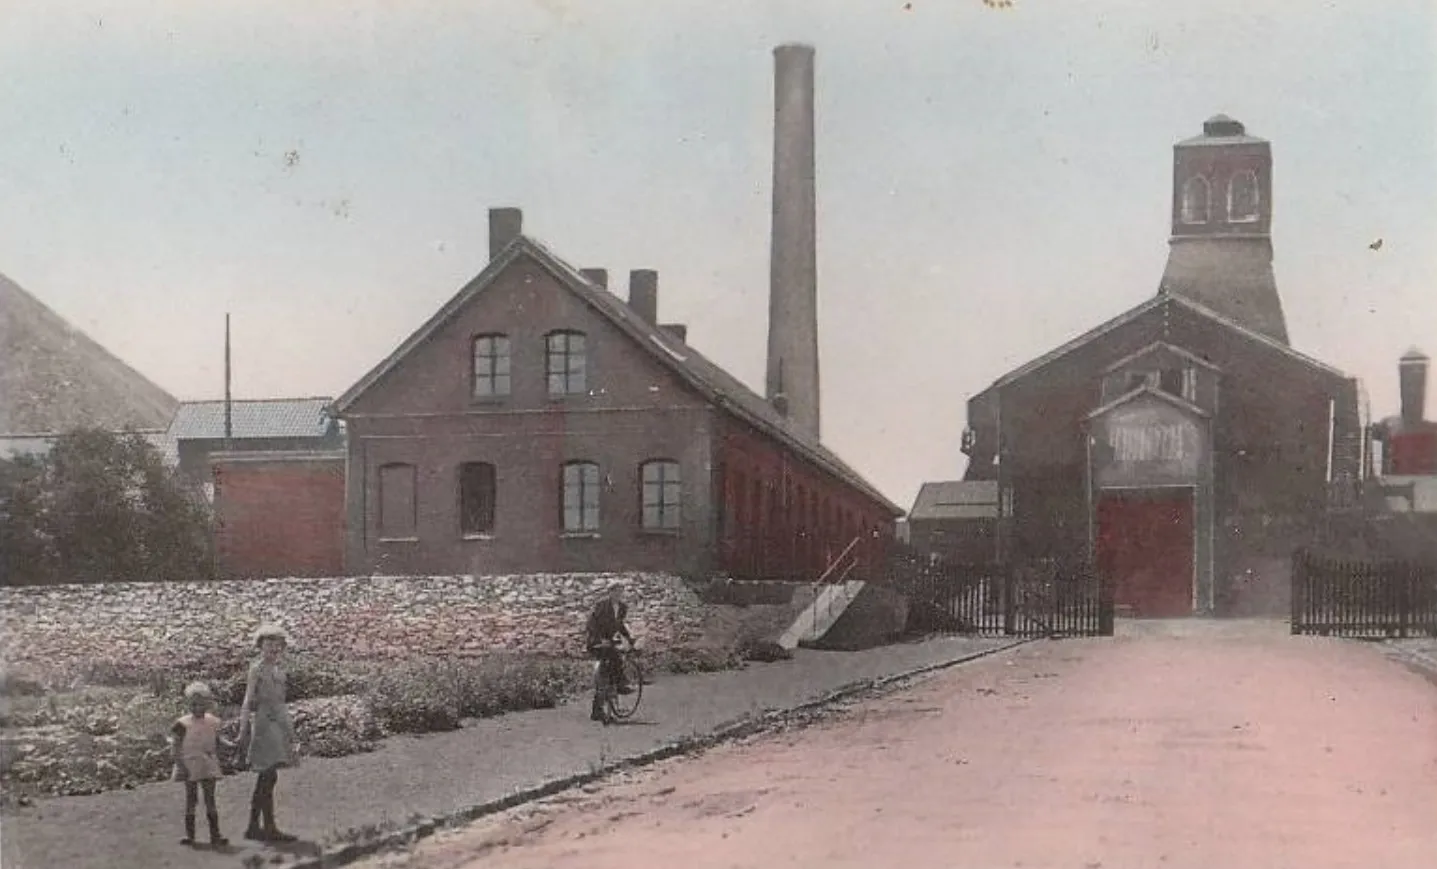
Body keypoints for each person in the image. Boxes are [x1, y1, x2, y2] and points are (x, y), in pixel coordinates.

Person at [237, 622, 300, 843]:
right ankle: (265, 827)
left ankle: (256, 826)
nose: (273, 649)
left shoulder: (279, 671)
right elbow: (247, 700)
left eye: (278, 645)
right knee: (267, 775)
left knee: (270, 777)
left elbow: (281, 704)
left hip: (278, 724)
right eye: (269, 644)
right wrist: (242, 729)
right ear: (260, 646)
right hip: (264, 724)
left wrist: (291, 733)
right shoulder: (257, 669)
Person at [170, 681, 233, 848]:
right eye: (192, 703)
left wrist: (231, 744)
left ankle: (216, 835)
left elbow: (218, 739)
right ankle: (190, 835)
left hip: (207, 763)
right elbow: (175, 745)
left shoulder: (212, 721)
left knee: (210, 799)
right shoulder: (182, 724)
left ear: (206, 704)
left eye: (199, 703)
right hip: (189, 765)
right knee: (191, 799)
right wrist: (179, 764)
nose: (196, 707)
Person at [585, 584, 636, 723]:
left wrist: (629, 637)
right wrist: (599, 638)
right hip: (597, 641)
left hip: (610, 641)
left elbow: (619, 625)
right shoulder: (601, 605)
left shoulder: (622, 608)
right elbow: (591, 623)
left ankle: (599, 708)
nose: (618, 594)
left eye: (621, 592)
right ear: (610, 592)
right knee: (613, 660)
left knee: (611, 666)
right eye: (616, 592)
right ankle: (620, 683)